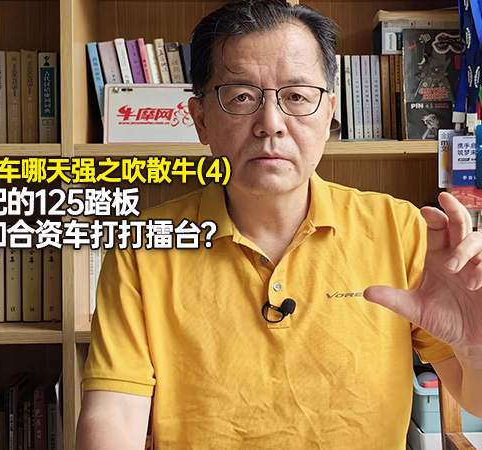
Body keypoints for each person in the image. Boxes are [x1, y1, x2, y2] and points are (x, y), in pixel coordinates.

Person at [77, 1, 482, 449]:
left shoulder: (400, 230)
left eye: (296, 96)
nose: (271, 124)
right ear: (201, 120)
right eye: (241, 96)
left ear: (328, 114)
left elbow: (475, 398)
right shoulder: (143, 246)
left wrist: (474, 345)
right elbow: (114, 413)